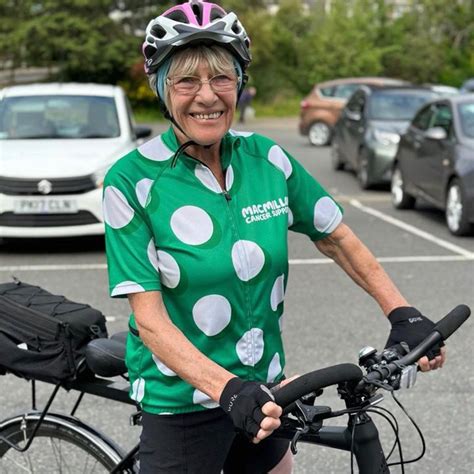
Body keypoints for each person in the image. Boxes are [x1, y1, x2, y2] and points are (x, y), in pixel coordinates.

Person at [103, 1, 445, 472]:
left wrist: (402, 312)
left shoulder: (267, 159)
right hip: (184, 403)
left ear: (239, 84)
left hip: (264, 395)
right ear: (162, 89)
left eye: (222, 78)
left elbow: (337, 237)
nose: (207, 96)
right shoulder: (132, 180)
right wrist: (226, 390)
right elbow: (152, 323)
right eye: (186, 81)